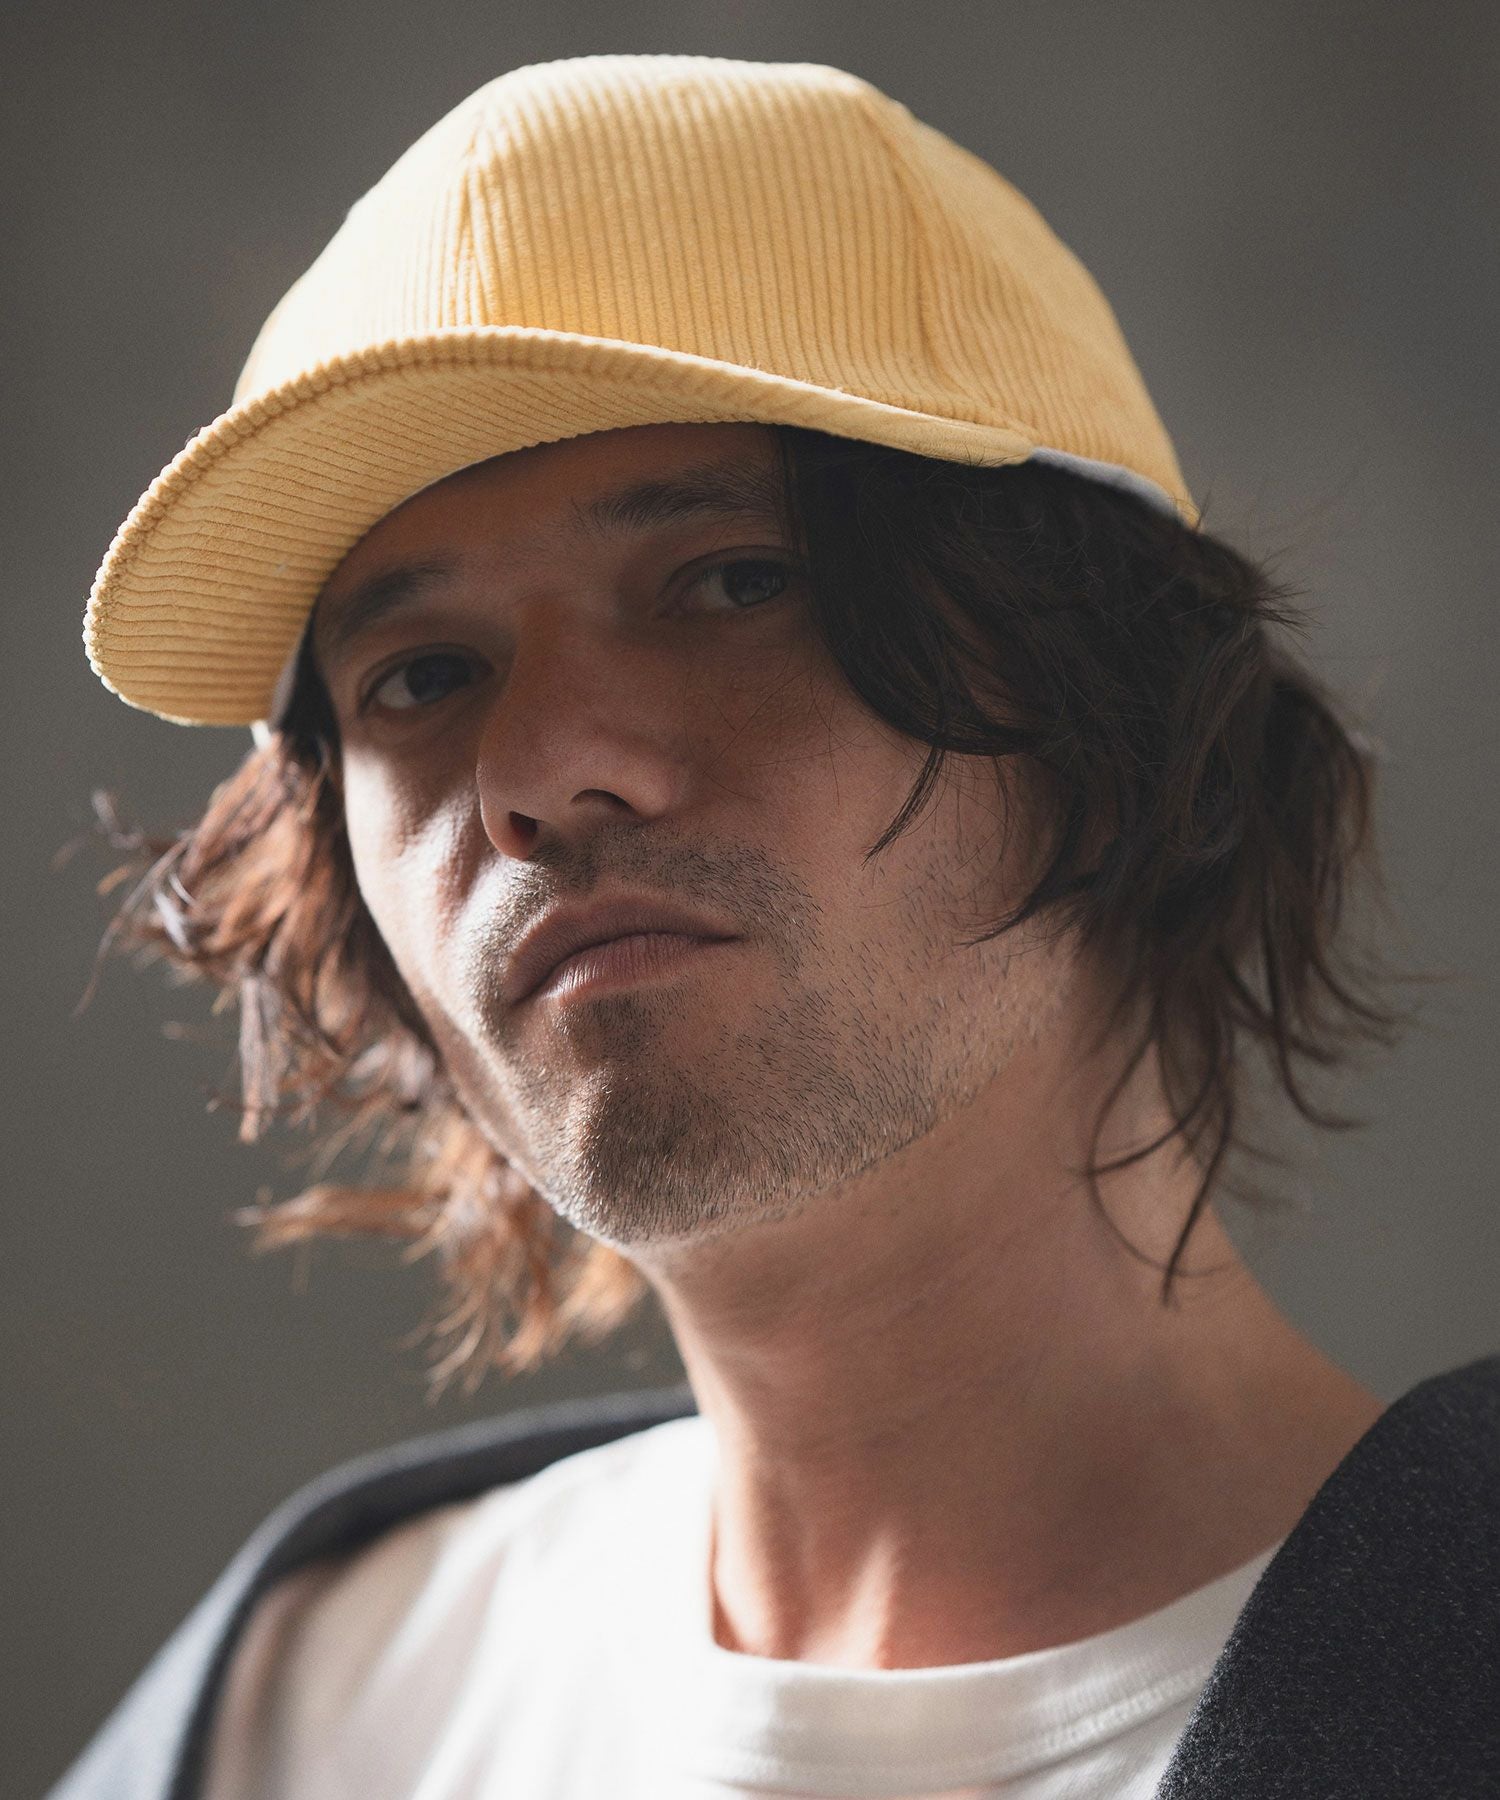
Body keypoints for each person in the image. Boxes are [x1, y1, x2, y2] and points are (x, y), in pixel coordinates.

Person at [53, 53, 1497, 1800]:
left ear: (1119, 692)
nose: (538, 771)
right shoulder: (297, 1714)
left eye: (733, 582)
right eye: (421, 676)